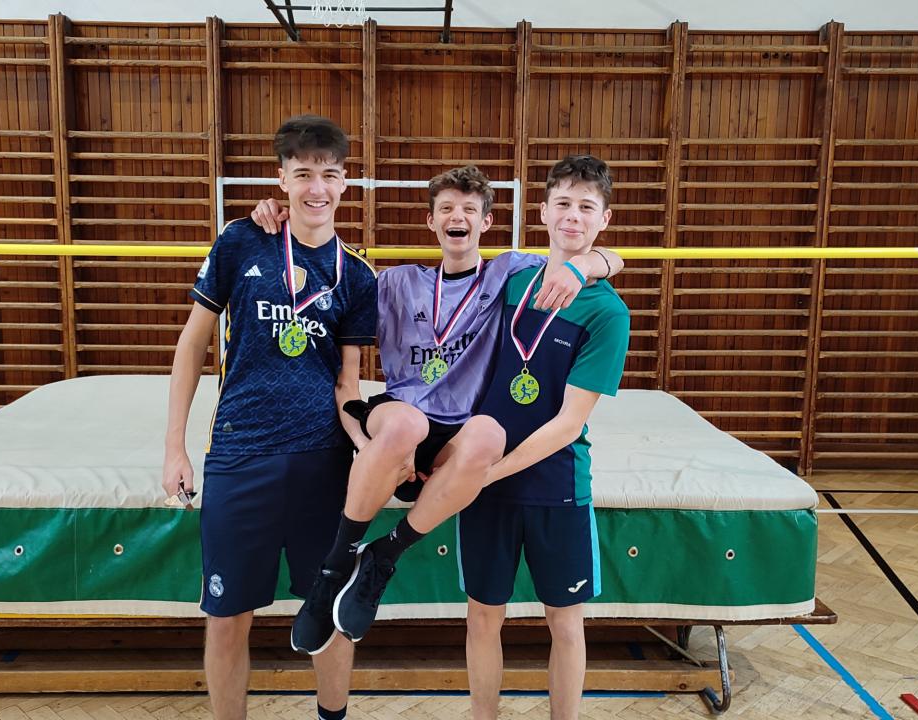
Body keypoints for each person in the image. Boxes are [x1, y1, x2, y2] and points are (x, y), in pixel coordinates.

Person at [249, 165, 623, 650]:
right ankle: (334, 566)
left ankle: (384, 556)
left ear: (487, 222)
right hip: (400, 419)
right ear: (431, 221)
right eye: (446, 208)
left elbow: (597, 254)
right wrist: (281, 220)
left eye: (469, 209)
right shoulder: (397, 281)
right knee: (406, 423)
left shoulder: (509, 273)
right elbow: (330, 274)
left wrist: (585, 265)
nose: (457, 217)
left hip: (455, 437)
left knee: (488, 433)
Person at [161, 114, 377, 720]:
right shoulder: (241, 241)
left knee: (329, 610)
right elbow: (191, 344)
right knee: (227, 615)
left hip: (322, 462)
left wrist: (374, 451)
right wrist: (174, 447)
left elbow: (349, 383)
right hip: (240, 454)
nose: (316, 188)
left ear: (345, 182)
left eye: (328, 175)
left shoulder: (358, 276)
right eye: (302, 173)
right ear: (282, 179)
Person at [460, 155, 631, 720]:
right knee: (483, 616)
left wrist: (486, 473)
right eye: (563, 203)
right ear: (542, 211)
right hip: (486, 486)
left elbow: (568, 423)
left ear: (604, 219)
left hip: (556, 486)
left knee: (565, 621)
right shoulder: (512, 281)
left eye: (586, 206)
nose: (572, 216)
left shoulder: (608, 314)